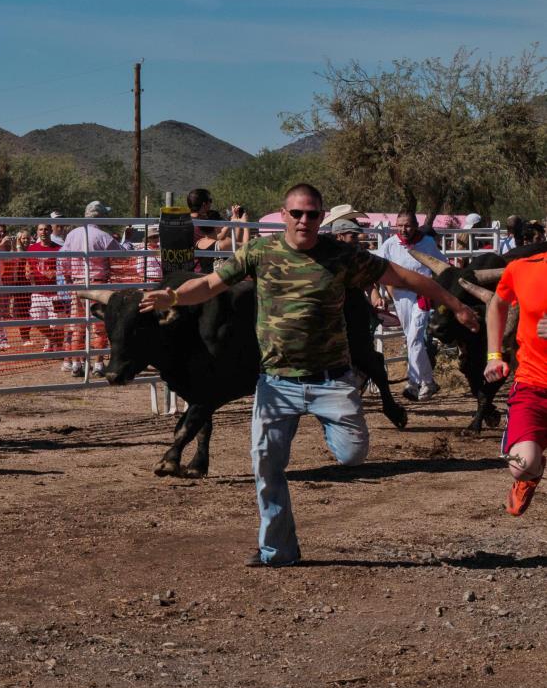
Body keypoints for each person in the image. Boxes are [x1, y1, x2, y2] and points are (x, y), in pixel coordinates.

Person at [139, 183, 479, 568]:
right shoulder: (259, 252)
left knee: (352, 455)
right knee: (266, 466)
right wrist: (173, 297)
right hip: (276, 382)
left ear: (321, 217)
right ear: (283, 215)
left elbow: (405, 277)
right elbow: (210, 285)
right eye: (297, 213)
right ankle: (277, 549)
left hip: (331, 380)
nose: (304, 220)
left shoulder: (342, 255)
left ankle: (336, 435)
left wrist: (456, 305)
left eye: (312, 214)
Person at [485, 252, 547, 515]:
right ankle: (529, 476)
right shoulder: (522, 268)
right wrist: (493, 356)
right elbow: (498, 304)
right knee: (521, 464)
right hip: (532, 383)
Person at [374, 211, 447, 401]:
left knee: (414, 339)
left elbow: (442, 265)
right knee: (413, 341)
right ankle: (429, 382)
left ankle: (413, 385)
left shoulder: (427, 243)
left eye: (407, 225)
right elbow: (376, 268)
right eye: (400, 225)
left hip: (422, 296)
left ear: (415, 226)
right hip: (400, 296)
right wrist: (381, 293)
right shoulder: (390, 244)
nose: (403, 229)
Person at [60, 201, 115, 377]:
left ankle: (77, 363)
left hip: (77, 283)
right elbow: (122, 254)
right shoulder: (103, 236)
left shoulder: (72, 235)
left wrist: (69, 278)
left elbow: (63, 260)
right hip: (98, 284)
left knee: (78, 325)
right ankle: (98, 364)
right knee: (99, 325)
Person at [26, 222, 63, 353]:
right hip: (38, 292)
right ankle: (52, 340)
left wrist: (56, 273)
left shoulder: (59, 249)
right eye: (41, 229)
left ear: (50, 231)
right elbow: (28, 265)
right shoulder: (31, 249)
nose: (43, 232)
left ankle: (56, 347)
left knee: (57, 325)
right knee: (36, 319)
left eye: (46, 229)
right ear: (37, 232)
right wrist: (28, 273)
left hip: (56, 293)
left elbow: (66, 269)